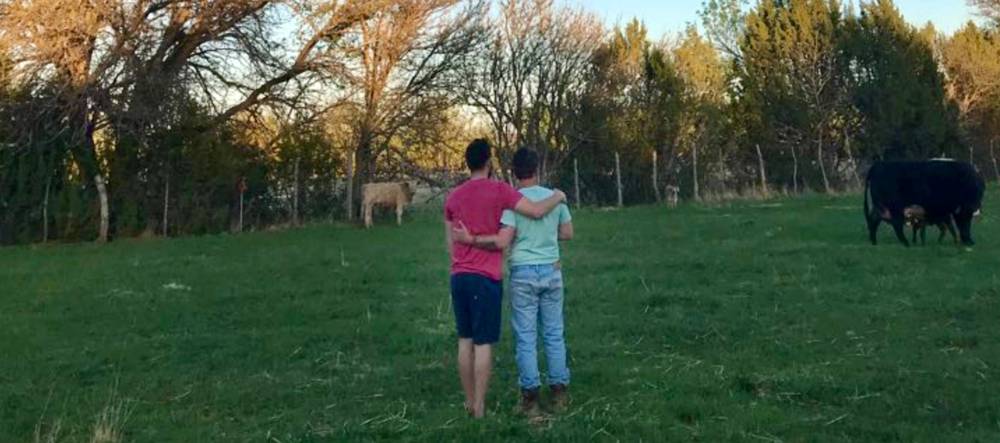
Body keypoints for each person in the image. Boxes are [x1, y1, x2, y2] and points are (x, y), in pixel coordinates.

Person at [444, 139, 566, 418]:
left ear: (467, 163)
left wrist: (462, 256)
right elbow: (536, 211)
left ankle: (469, 401)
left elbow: (450, 241)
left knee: (464, 340)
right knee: (483, 343)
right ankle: (479, 407)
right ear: (489, 163)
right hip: (486, 277)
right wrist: (558, 196)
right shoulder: (500, 191)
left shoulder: (453, 197)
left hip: (459, 276)